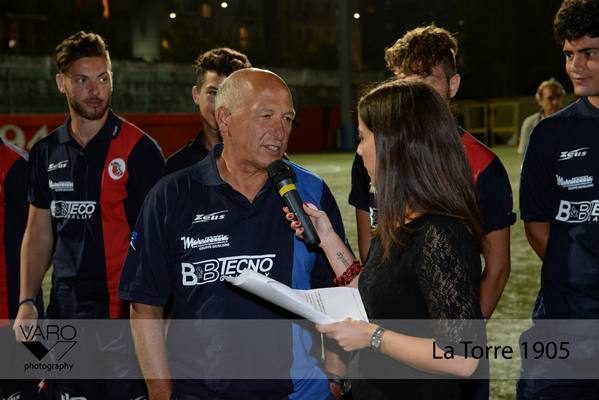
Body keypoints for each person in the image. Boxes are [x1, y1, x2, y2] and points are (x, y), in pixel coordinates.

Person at [119, 68, 348, 400]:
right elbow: (145, 304)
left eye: (287, 118)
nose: (280, 130)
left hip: (298, 392)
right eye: (266, 115)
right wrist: (160, 393)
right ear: (224, 118)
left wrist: (336, 378)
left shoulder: (310, 191)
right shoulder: (172, 195)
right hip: (198, 393)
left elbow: (338, 295)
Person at [289, 79, 485, 400]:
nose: (358, 149)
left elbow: (463, 356)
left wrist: (373, 337)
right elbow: (376, 292)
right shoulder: (400, 220)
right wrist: (326, 236)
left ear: (393, 146)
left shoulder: (440, 233)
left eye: (363, 137)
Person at [13, 31, 164, 399]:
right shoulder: (45, 152)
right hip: (66, 310)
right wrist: (27, 301)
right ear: (61, 83)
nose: (95, 90)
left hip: (124, 310)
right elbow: (38, 231)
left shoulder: (140, 149)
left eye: (103, 78)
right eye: (82, 80)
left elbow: (161, 240)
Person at [349, 25, 515, 321]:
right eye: (405, 81)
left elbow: (497, 267)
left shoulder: (483, 165)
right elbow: (371, 253)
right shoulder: (372, 155)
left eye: (426, 79)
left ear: (453, 85)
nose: (413, 93)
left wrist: (462, 330)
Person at [518, 0, 599, 398]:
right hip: (564, 324)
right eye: (569, 54)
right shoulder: (549, 134)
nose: (575, 66)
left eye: (589, 53)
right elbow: (537, 226)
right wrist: (578, 274)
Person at [0, 139, 45, 399]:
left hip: (14, 316)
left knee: (29, 388)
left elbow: (41, 238)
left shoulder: (17, 165)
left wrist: (27, 303)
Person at [163, 47, 251, 175]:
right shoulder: (177, 167)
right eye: (213, 93)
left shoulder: (265, 162)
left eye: (232, 94)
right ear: (196, 95)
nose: (221, 104)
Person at [517, 78, 566, 160]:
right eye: (550, 98)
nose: (556, 102)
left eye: (558, 97)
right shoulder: (530, 124)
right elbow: (524, 155)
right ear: (540, 101)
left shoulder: (573, 121)